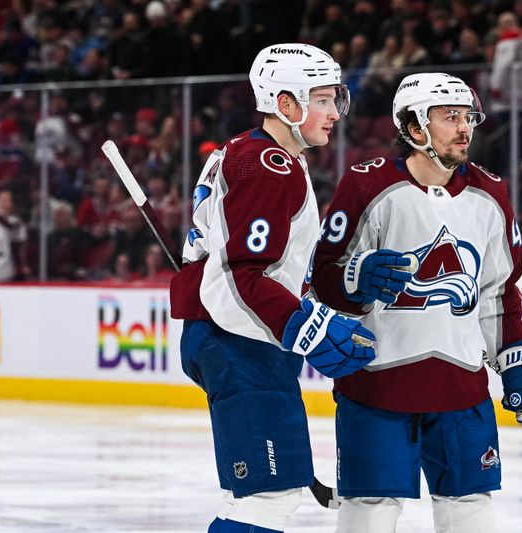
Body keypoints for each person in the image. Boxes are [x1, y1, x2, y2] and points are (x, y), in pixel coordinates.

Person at [169, 44, 402, 533]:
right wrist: (304, 324)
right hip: (238, 340)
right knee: (268, 497)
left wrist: (317, 296)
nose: (335, 112)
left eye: (335, 98)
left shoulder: (251, 152)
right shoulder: (268, 166)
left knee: (262, 494)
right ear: (285, 104)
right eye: (321, 99)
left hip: (236, 337)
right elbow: (241, 273)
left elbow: (260, 265)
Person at [311, 73, 522, 533]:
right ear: (415, 128)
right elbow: (323, 278)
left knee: (470, 510)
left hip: (463, 389)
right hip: (376, 387)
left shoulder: (491, 193)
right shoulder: (366, 187)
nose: (465, 128)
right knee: (370, 511)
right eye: (450, 117)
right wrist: (355, 278)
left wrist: (516, 359)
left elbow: (499, 290)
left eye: (468, 117)